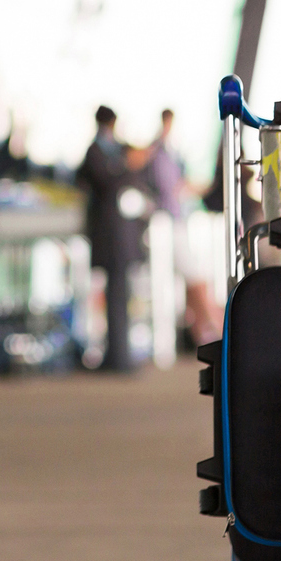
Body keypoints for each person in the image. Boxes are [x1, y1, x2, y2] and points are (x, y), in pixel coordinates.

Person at [76, 105, 145, 373]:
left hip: (115, 235)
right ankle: (118, 356)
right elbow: (105, 182)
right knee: (117, 296)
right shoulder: (104, 154)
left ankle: (119, 354)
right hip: (113, 235)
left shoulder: (103, 152)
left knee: (118, 295)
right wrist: (127, 166)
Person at [146, 109, 221, 343]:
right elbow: (171, 189)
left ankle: (202, 336)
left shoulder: (170, 153)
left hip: (179, 223)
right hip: (169, 225)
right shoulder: (158, 153)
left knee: (194, 283)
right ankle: (219, 330)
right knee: (196, 278)